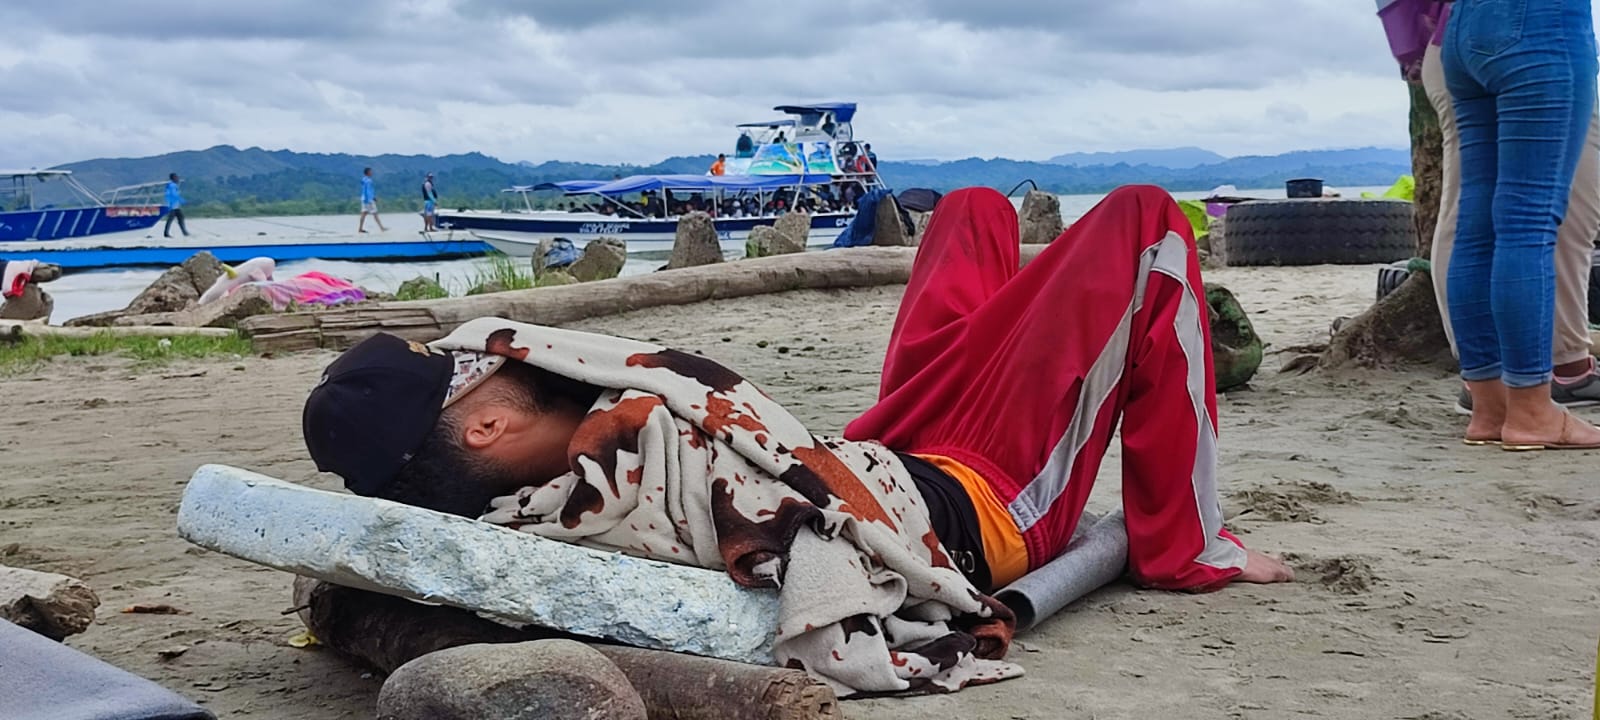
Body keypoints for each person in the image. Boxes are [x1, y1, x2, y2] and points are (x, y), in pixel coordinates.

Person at [304, 185, 1291, 593]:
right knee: (1146, 220)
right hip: (979, 503)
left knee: (970, 212)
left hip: (876, 455)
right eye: (485, 371)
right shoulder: (614, 458)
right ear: (484, 423)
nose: (519, 363)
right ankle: (1191, 545)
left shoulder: (565, 470)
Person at [1416, 6, 1600, 414]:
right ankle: (1531, 405)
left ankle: (1490, 397)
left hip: (1460, 29)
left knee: (1476, 223)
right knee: (1527, 221)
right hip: (1537, 25)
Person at [358, 167, 386, 233]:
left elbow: (365, 190)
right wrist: (373, 198)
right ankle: (382, 228)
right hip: (368, 200)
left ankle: (360, 228)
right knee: (375, 213)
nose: (372, 173)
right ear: (368, 172)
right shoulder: (368, 181)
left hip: (363, 198)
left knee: (364, 213)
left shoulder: (363, 180)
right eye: (370, 171)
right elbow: (368, 191)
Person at [163, 173, 189, 238]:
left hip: (175, 206)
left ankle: (184, 232)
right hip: (172, 206)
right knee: (171, 218)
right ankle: (166, 233)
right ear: (173, 178)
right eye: (176, 177)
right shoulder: (172, 186)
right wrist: (183, 201)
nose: (178, 179)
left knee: (180, 217)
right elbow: (174, 195)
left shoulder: (171, 185)